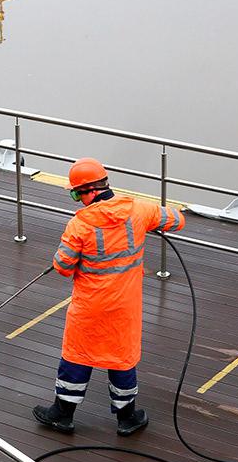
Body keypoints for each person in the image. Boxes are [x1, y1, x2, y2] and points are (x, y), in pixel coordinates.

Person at [33, 157, 186, 436]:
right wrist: (150, 224)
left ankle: (62, 414)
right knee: (122, 358)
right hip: (125, 305)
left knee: (78, 354)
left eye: (76, 193)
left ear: (88, 191)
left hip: (90, 305)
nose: (77, 199)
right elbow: (177, 220)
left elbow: (63, 267)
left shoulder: (79, 226)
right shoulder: (138, 210)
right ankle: (127, 418)